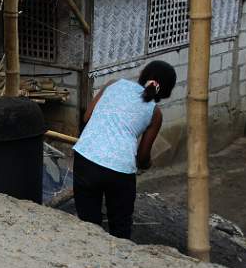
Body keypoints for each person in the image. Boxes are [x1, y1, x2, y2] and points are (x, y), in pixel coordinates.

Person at [72, 60, 177, 239]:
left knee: (88, 223)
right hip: (119, 171)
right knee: (120, 226)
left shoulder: (114, 84)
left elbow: (87, 117)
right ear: (166, 90)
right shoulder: (155, 113)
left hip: (85, 157)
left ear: (143, 74)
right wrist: (147, 163)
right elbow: (143, 157)